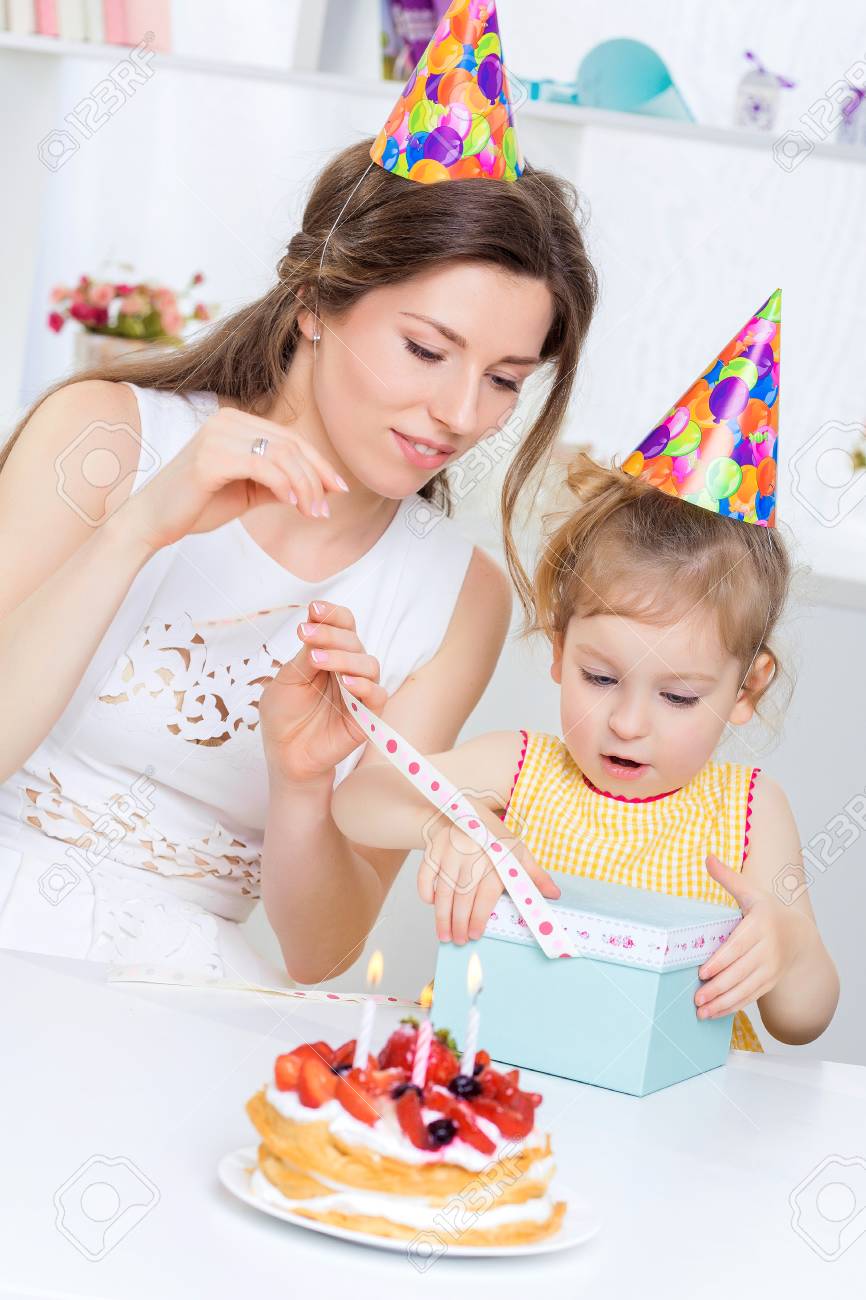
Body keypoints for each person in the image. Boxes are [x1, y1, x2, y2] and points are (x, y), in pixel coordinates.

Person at [0, 114, 597, 982]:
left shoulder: (457, 595)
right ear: (316, 301)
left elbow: (323, 950)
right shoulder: (104, 438)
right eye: (427, 350)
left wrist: (303, 783)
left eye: (505, 380)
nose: (463, 415)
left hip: (187, 978)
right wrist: (139, 528)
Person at [331, 297, 840, 1051]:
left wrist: (787, 948)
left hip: (671, 1115)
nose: (628, 722)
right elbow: (359, 802)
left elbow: (804, 1019)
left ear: (748, 688)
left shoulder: (751, 813)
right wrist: (451, 826)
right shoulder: (523, 769)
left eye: (677, 695)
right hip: (499, 1083)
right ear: (562, 649)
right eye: (601, 679)